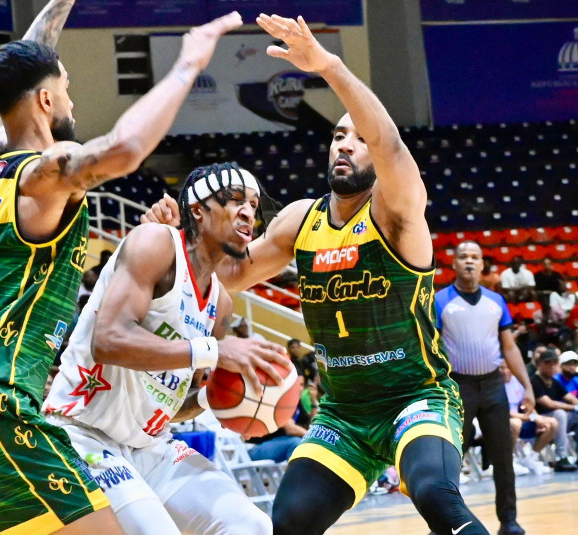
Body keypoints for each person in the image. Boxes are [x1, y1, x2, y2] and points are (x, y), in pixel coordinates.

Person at [144, 13, 484, 535]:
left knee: (435, 493)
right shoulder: (299, 221)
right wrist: (172, 242)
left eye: (357, 138)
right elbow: (218, 277)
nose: (345, 144)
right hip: (342, 413)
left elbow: (390, 145)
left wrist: (327, 67)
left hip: (415, 398)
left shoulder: (396, 214)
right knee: (291, 518)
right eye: (337, 136)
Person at [0, 2, 243, 534]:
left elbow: (20, 77)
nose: (73, 99)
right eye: (65, 87)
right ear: (46, 100)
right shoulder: (42, 175)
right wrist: (188, 63)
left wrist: (57, 7)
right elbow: (126, 148)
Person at [44, 163, 289, 534]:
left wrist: (224, 401)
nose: (248, 212)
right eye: (235, 200)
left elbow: (170, 404)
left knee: (250, 525)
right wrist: (214, 351)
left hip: (151, 447)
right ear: (197, 210)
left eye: (253, 205)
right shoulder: (156, 243)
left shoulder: (221, 305)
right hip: (82, 432)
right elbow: (109, 340)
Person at [435, 241, 534, 535]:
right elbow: (432, 349)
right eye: (463, 257)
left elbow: (509, 346)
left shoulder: (496, 301)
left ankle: (509, 520)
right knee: (451, 460)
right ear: (453, 264)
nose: (468, 262)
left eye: (474, 257)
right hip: (457, 387)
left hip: (492, 385)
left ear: (482, 265)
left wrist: (526, 386)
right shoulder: (440, 301)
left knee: (504, 457)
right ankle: (443, 522)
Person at [530, 350, 578, 471]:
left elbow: (569, 397)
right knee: (560, 413)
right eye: (548, 363)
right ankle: (561, 456)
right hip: (541, 419)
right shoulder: (535, 381)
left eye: (554, 363)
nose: (552, 366)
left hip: (558, 421)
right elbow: (549, 404)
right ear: (539, 364)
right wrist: (576, 408)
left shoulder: (554, 381)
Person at [500, 363, 555, 474]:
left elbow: (527, 405)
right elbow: (502, 410)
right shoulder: (494, 385)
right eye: (502, 368)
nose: (505, 371)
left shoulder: (517, 382)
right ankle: (509, 461)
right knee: (515, 423)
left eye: (508, 367)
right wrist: (526, 417)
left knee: (551, 423)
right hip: (504, 420)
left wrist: (536, 417)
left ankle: (531, 458)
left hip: (523, 419)